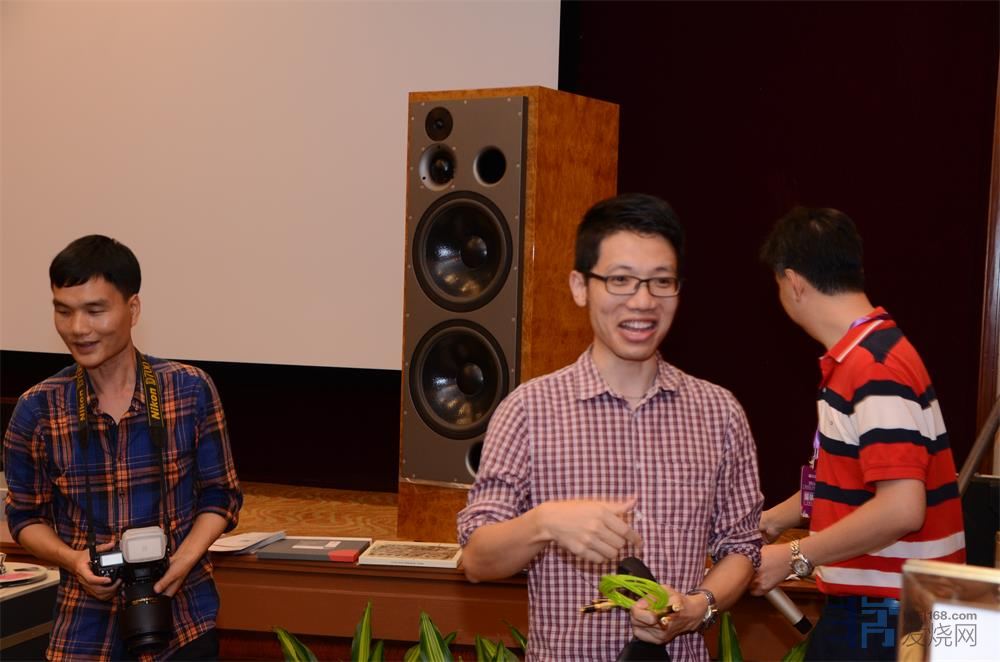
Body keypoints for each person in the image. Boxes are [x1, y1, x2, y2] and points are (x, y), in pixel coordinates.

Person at [457, 193, 764, 662]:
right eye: (620, 280)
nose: (642, 301)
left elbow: (741, 548)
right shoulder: (528, 410)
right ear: (580, 286)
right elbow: (477, 559)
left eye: (661, 282)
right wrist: (545, 522)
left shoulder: (719, 412)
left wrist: (697, 607)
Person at [3, 235, 243, 661]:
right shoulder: (37, 409)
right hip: (83, 631)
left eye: (95, 310)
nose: (78, 328)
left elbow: (221, 496)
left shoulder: (189, 390)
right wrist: (73, 560)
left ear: (133, 309)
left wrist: (183, 560)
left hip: (183, 623)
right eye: (63, 311)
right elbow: (25, 517)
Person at [750, 207, 965, 661]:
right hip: (896, 609)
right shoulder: (866, 354)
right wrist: (772, 520)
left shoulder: (873, 366)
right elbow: (850, 484)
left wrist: (793, 556)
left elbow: (901, 508)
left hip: (892, 615)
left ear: (793, 282)